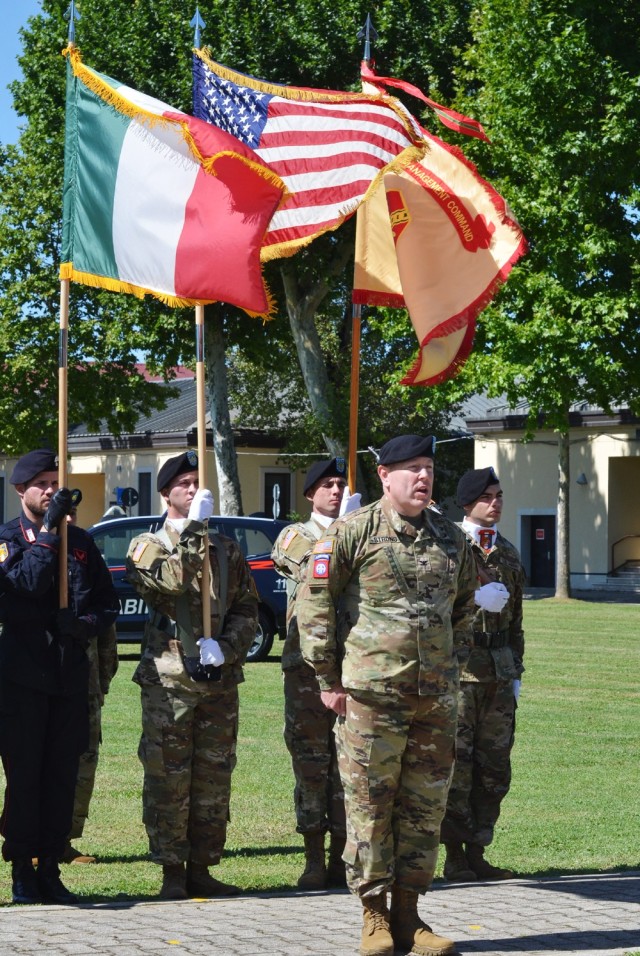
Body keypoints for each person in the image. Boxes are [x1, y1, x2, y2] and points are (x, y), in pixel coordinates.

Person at [296, 435, 477, 956]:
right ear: (385, 476)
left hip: (435, 699)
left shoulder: (450, 537)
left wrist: (452, 664)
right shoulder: (352, 533)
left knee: (424, 808)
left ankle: (411, 915)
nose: (423, 478)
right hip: (372, 698)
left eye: (429, 469)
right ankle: (373, 916)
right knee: (371, 807)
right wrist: (329, 681)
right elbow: (315, 607)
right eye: (412, 469)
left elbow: (464, 608)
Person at [125, 450, 258, 901]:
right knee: (169, 776)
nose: (194, 489)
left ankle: (203, 865)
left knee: (213, 775)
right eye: (184, 482)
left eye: (199, 482)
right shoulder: (147, 546)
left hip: (217, 675)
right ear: (165, 493)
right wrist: (194, 530)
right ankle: (171, 870)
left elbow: (247, 607)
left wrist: (228, 645)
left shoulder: (227, 548)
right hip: (169, 679)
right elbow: (172, 582)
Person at [0, 449, 119, 904]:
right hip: (23, 679)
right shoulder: (11, 540)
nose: (53, 491)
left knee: (61, 777)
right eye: (43, 484)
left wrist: (84, 625)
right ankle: (22, 871)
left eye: (57, 482)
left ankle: (51, 868)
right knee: (25, 777)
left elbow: (106, 603)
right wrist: (50, 531)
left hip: (70, 677)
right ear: (20, 491)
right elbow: (23, 588)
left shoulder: (84, 543)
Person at [271, 457, 358, 890]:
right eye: (327, 485)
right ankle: (311, 857)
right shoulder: (294, 536)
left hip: (353, 663)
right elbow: (317, 574)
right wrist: (347, 531)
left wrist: (355, 527)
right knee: (310, 761)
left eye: (341, 483)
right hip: (306, 665)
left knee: (348, 764)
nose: (336, 491)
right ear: (310, 494)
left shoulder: (358, 531)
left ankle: (343, 854)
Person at [440, 467, 525, 883]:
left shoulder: (507, 552)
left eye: (499, 496)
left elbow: (517, 620)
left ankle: (478, 849)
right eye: (488, 497)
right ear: (468, 503)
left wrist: (516, 671)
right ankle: (454, 855)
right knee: (458, 766)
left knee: (494, 768)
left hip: (498, 672)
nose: (496, 503)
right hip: (460, 672)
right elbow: (436, 603)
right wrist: (474, 598)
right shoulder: (451, 547)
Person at [61, 502, 119, 865]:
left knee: (84, 758)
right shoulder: (21, 542)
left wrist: (104, 676)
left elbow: (106, 611)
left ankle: (65, 837)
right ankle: (31, 838)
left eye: (73, 510)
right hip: (40, 675)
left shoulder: (85, 546)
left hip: (86, 674)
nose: (69, 517)